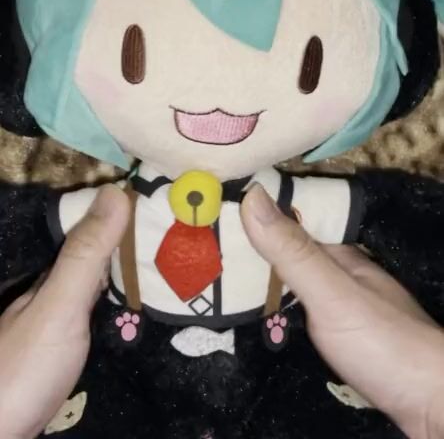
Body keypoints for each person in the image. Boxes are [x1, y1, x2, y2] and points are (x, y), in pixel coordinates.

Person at [0, 184, 443, 439]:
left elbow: (388, 214)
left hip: (283, 353)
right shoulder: (126, 199)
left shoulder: (288, 194)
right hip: (125, 356)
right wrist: (429, 396)